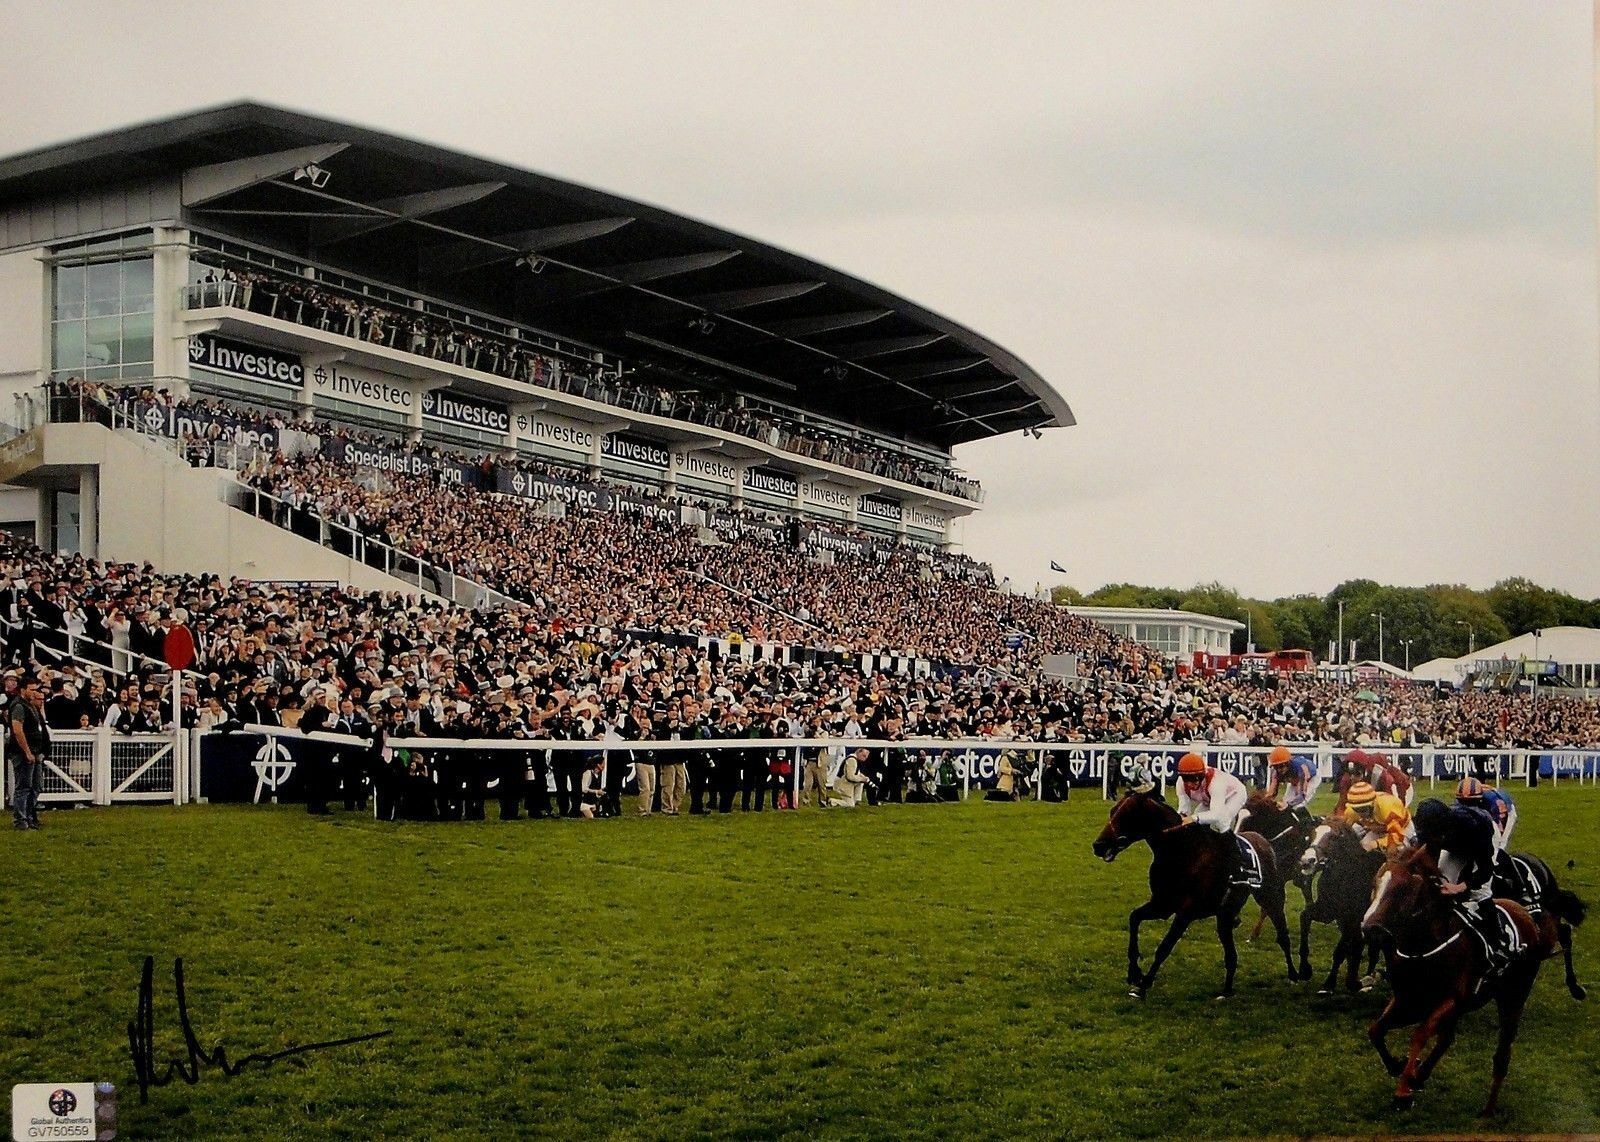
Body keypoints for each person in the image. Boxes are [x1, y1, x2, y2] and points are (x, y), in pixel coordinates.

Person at [1412, 797, 1508, 976]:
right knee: (1441, 885)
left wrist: (1460, 887)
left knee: (1480, 892)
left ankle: (1499, 946)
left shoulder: (1472, 828)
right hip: (1456, 844)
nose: (1432, 838)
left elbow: (1486, 869)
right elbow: (1421, 850)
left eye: (1435, 834)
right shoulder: (1429, 826)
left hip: (1483, 837)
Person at [1174, 751, 1253, 885]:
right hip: (1209, 800)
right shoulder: (1181, 784)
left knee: (1221, 823)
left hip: (1234, 795)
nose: (1190, 784)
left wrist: (1194, 818)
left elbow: (1216, 814)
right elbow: (1184, 811)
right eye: (1186, 780)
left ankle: (1239, 868)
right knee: (1194, 825)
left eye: (1194, 779)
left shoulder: (1215, 782)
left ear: (1201, 775)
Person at [8, 675, 49, 829]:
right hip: (23, 752)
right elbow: (18, 731)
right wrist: (27, 751)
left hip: (34, 750)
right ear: (23, 689)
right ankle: (20, 820)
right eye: (31, 689)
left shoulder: (30, 705)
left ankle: (29, 816)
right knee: (23, 787)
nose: (33, 692)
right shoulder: (19, 706)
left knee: (36, 786)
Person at [1337, 780, 1411, 856]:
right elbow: (1343, 829)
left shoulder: (1389, 806)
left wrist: (1377, 843)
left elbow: (1397, 836)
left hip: (1402, 828)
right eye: (1357, 809)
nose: (1361, 813)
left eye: (1363, 809)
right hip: (1378, 830)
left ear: (1373, 803)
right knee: (1363, 847)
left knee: (1399, 851)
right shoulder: (1351, 811)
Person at [1456, 776, 1516, 852]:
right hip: (1485, 811)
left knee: (1498, 846)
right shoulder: (1459, 802)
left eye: (1471, 802)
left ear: (1480, 798)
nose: (1468, 806)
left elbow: (1499, 828)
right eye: (1464, 802)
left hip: (1506, 812)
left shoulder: (1495, 802)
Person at [1262, 744, 1320, 822]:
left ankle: (1307, 823)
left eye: (1281, 766)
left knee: (1298, 806)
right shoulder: (1275, 772)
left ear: (1288, 763)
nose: (1279, 769)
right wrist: (1262, 803)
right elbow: (1272, 793)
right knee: (1285, 802)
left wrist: (1288, 805)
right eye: (1276, 766)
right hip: (1295, 780)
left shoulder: (1301, 768)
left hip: (1310, 778)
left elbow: (1302, 796)